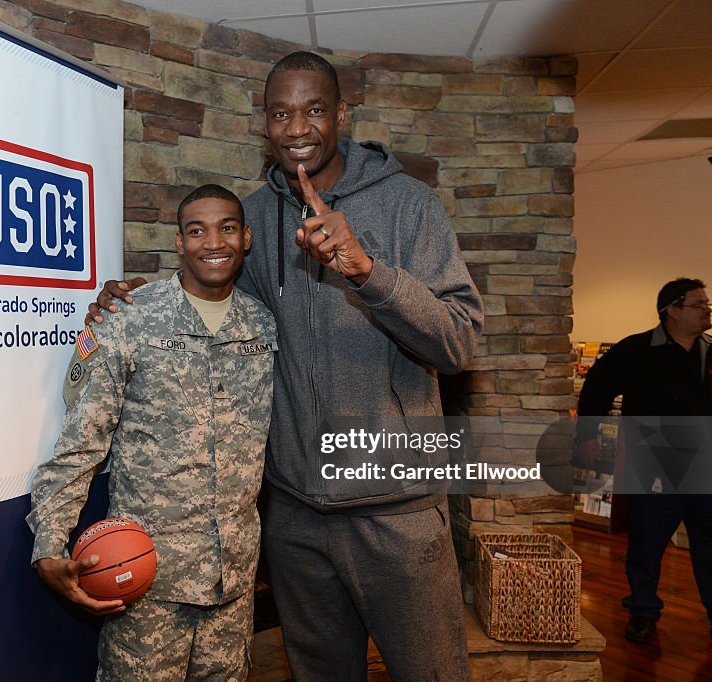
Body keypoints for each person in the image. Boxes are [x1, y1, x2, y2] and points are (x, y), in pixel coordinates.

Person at [88, 52, 482, 681]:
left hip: (398, 516)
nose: (298, 127)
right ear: (264, 124)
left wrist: (368, 271)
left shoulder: (410, 206)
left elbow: (460, 342)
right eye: (281, 113)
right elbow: (216, 303)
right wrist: (134, 299)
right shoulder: (255, 216)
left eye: (315, 110)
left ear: (342, 115)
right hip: (296, 520)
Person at [27, 185, 278, 681]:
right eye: (197, 230)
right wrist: (49, 546)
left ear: (245, 238)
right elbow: (81, 443)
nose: (213, 242)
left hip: (233, 581)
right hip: (146, 582)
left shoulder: (264, 327)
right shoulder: (131, 318)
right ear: (179, 242)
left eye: (227, 228)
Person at [576, 277, 712, 643]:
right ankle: (642, 611)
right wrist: (589, 435)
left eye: (707, 304)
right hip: (653, 470)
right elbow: (596, 386)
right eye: (699, 304)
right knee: (646, 544)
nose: (708, 309)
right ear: (672, 310)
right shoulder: (636, 350)